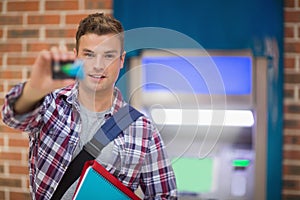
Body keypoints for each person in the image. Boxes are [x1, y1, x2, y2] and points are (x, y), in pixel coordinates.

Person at [1, 13, 177, 199]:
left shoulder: (143, 129)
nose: (98, 66)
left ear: (122, 60)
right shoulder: (51, 104)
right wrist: (33, 90)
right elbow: (12, 117)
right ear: (76, 57)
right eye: (89, 55)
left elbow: (165, 195)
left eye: (108, 56)